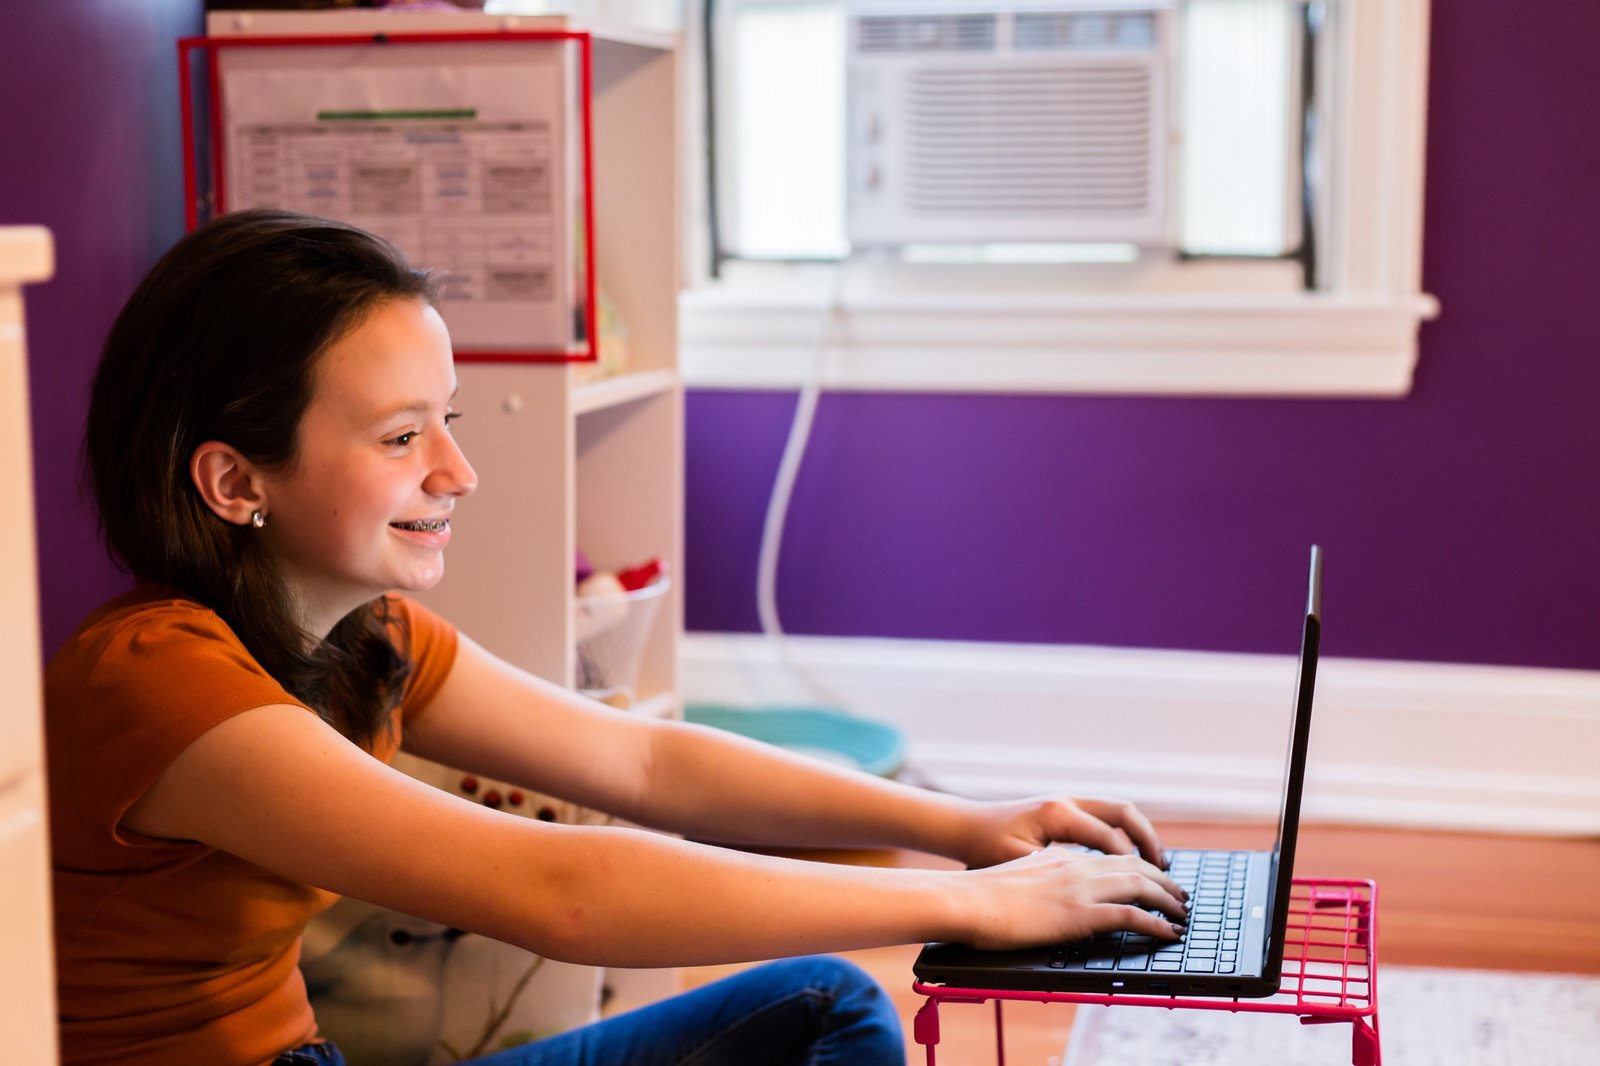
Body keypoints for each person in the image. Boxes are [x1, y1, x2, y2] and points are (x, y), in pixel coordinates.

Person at [46, 209, 1188, 1066]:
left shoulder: (363, 636)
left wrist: (965, 827)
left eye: (446, 418)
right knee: (825, 1012)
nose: (459, 469)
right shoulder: (157, 680)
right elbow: (563, 889)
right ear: (234, 479)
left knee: (825, 1006)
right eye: (402, 436)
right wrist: (965, 904)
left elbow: (641, 759)